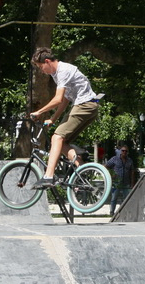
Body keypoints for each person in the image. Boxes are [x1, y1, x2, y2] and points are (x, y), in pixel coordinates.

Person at [30, 47, 99, 189]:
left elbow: (57, 99)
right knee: (61, 142)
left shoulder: (63, 70)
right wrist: (53, 119)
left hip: (84, 105)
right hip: (88, 106)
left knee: (56, 138)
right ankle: (81, 169)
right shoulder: (57, 74)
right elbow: (65, 100)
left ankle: (48, 176)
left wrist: (39, 112)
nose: (41, 71)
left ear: (47, 61)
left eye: (41, 67)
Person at [105, 145, 136, 216]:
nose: (124, 152)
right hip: (116, 182)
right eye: (123, 150)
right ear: (120, 151)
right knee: (114, 198)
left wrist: (132, 183)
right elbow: (106, 166)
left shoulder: (130, 160)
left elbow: (132, 172)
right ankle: (112, 212)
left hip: (126, 182)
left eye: (126, 151)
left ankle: (124, 212)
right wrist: (111, 174)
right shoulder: (114, 159)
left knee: (126, 198)